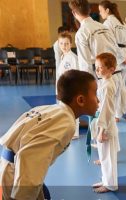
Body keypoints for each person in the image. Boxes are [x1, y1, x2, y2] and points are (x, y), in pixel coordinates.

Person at [0, 70, 99, 200]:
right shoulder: (66, 122)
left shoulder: (49, 109)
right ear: (80, 100)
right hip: (17, 173)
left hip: (10, 166)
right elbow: (28, 156)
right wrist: (23, 196)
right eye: (95, 93)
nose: (98, 99)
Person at [69, 0, 126, 122]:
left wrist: (86, 84)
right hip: (115, 71)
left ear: (74, 13)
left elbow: (85, 63)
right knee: (110, 111)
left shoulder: (82, 33)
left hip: (101, 76)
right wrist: (122, 59)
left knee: (100, 114)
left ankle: (98, 139)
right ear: (89, 10)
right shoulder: (102, 26)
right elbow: (116, 49)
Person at [99, 0, 126, 121]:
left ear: (107, 10)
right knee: (120, 86)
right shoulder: (122, 23)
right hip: (123, 56)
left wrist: (120, 59)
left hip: (114, 58)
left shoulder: (108, 24)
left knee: (114, 87)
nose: (100, 14)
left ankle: (117, 115)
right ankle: (122, 112)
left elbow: (111, 44)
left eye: (101, 11)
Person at [92, 53, 119, 193]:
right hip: (103, 124)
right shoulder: (104, 82)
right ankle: (105, 180)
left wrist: (101, 131)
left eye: (101, 67)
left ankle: (111, 185)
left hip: (107, 127)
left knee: (108, 158)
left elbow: (107, 110)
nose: (97, 70)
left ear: (111, 69)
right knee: (103, 156)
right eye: (96, 67)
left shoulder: (108, 86)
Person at [57, 32, 80, 139]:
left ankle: (74, 133)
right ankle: (68, 131)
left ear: (71, 44)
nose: (64, 46)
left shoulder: (72, 58)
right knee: (65, 111)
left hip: (70, 88)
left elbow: (75, 75)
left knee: (72, 111)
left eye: (66, 44)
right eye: (61, 43)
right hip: (63, 88)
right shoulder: (63, 56)